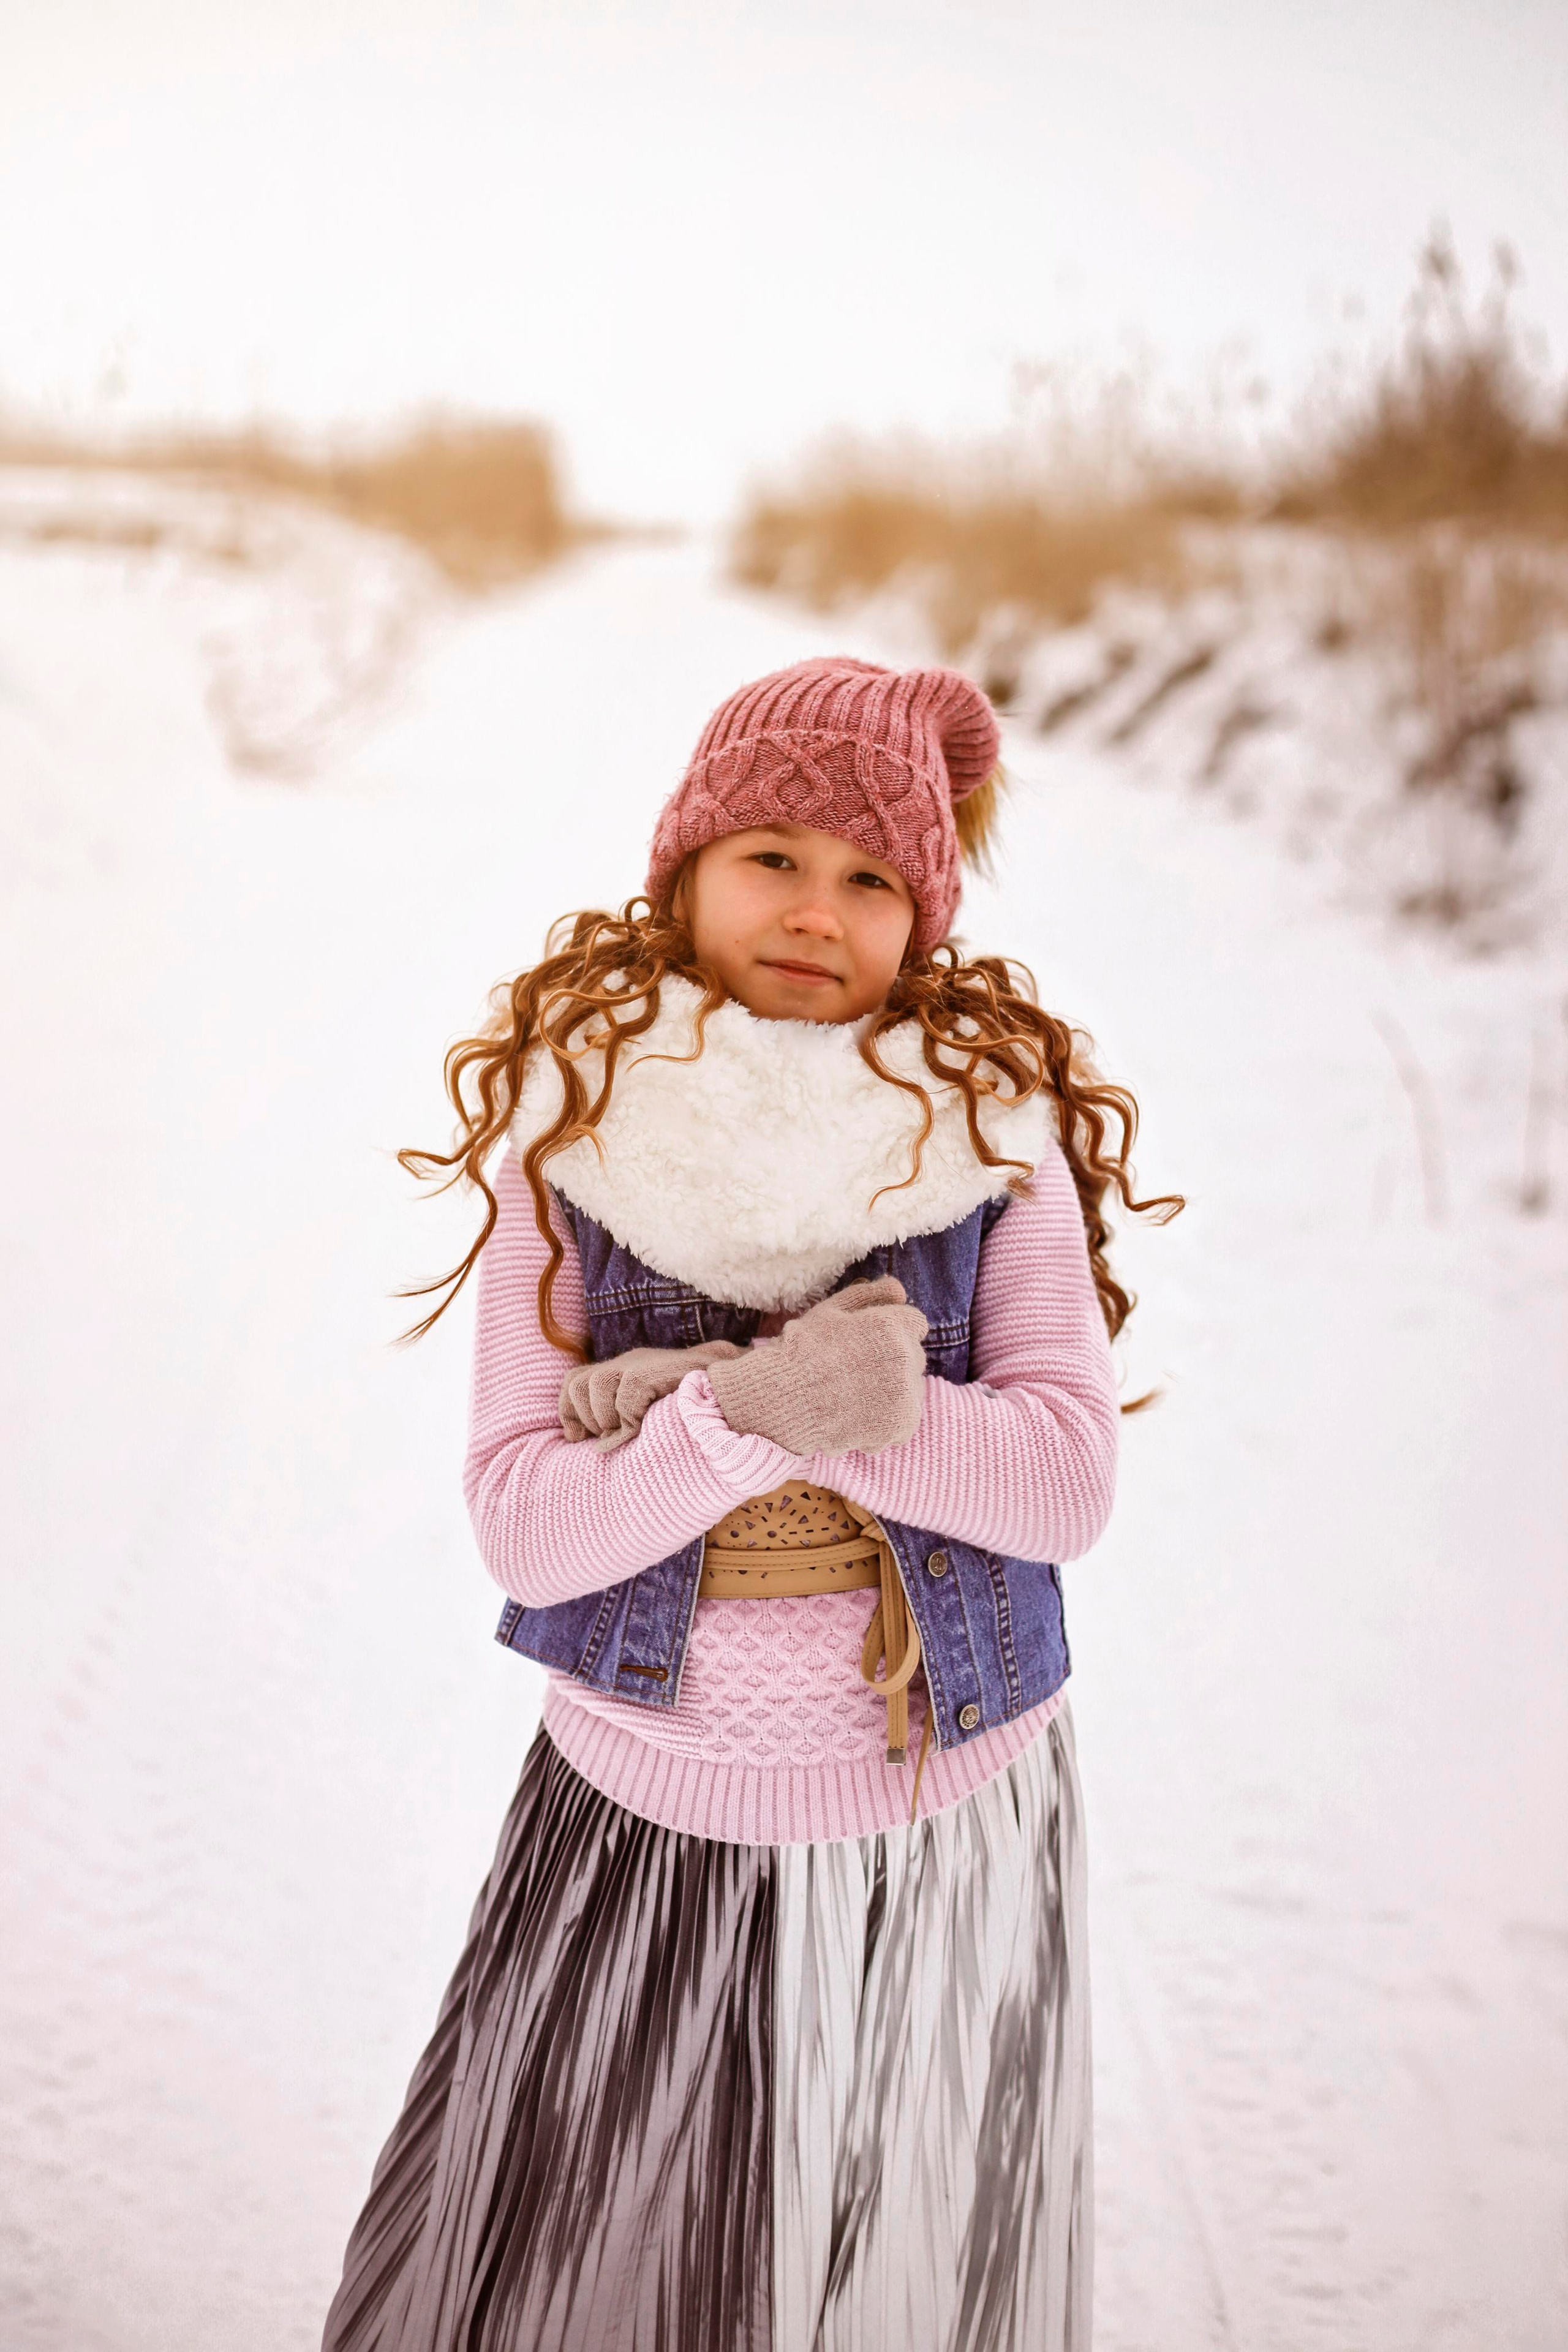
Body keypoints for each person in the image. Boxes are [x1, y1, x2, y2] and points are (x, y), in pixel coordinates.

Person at [321, 657, 1179, 2352]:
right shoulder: (583, 1135)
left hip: (946, 1816)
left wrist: (864, 1415)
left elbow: (1066, 1482)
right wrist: (757, 1413)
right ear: (687, 867)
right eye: (773, 854)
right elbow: (527, 1524)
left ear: (921, 918)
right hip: (651, 1826)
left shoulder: (988, 1135)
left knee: (894, 2269)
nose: (817, 909)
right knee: (607, 2275)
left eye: (872, 878)